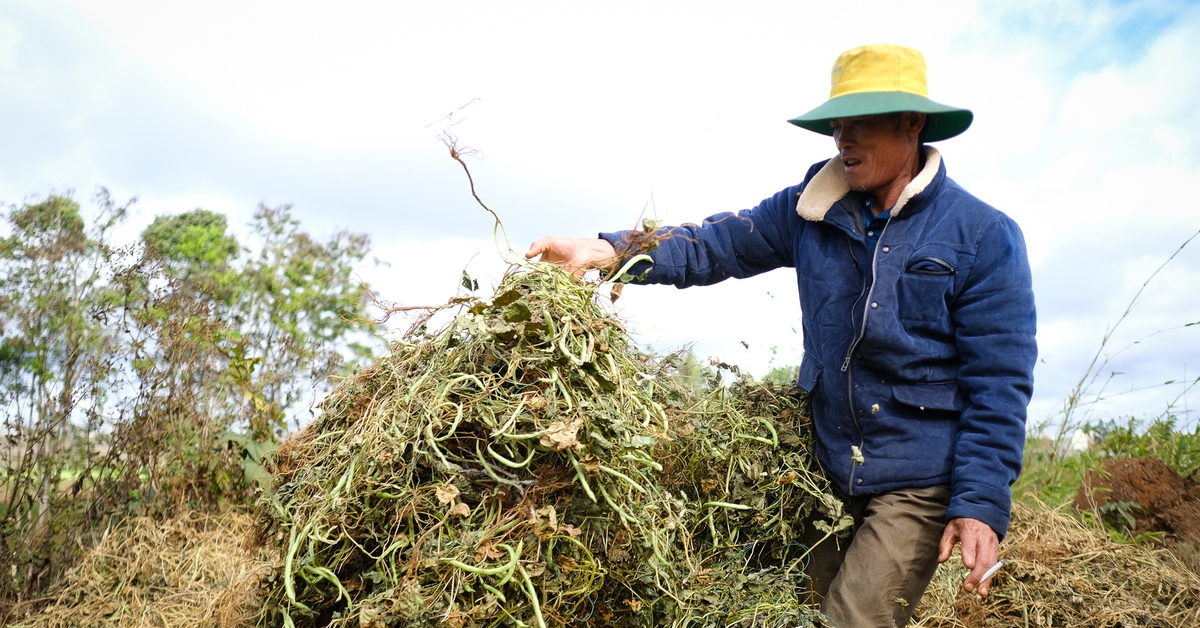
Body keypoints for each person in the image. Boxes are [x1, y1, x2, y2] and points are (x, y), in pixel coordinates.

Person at [526, 44, 1036, 627]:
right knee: (792, 608)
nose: (843, 140)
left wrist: (980, 505)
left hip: (920, 476)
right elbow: (716, 243)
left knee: (851, 619)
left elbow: (999, 383)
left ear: (912, 123)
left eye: (861, 124)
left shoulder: (981, 235)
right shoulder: (809, 209)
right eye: (837, 126)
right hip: (829, 461)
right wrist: (613, 249)